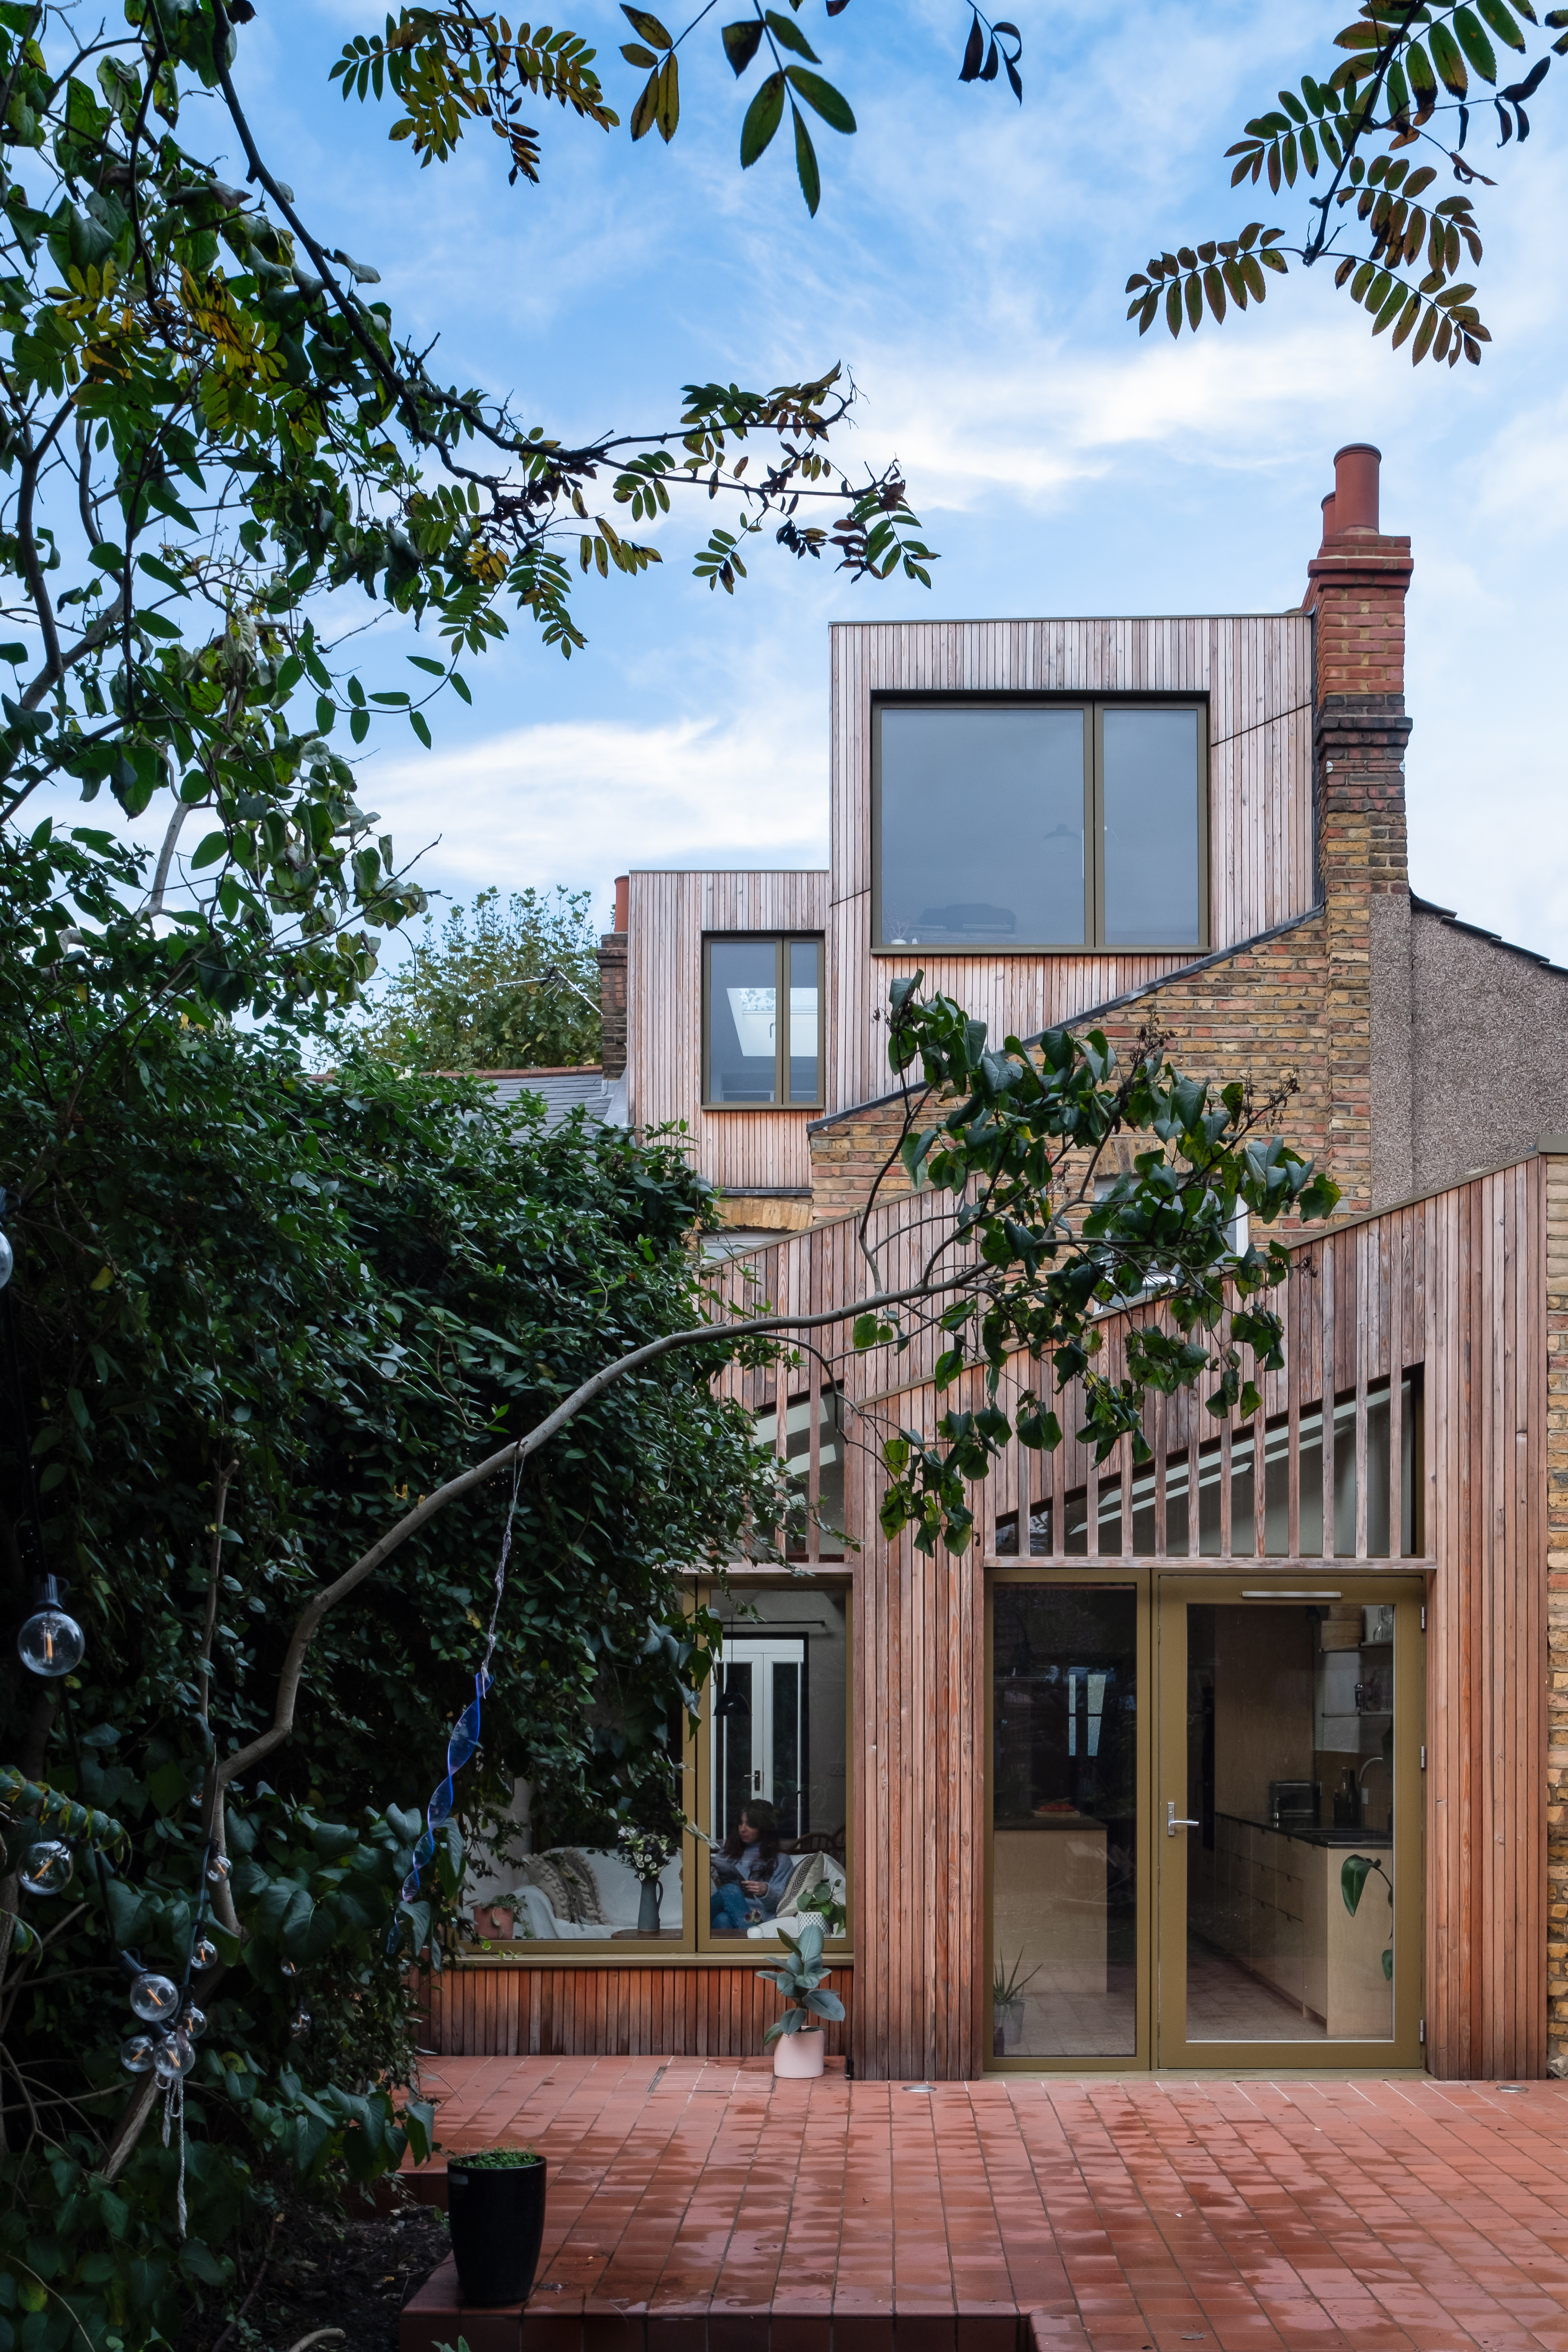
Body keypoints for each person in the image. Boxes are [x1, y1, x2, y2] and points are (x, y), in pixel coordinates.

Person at [709, 1800, 793, 1931]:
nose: (743, 1829)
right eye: (740, 1823)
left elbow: (783, 1906)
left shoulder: (781, 1861)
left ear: (764, 1828)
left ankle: (745, 1942)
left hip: (755, 1918)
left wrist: (766, 1892)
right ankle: (753, 1940)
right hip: (718, 1907)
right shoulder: (726, 1854)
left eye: (751, 1825)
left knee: (723, 1920)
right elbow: (709, 1895)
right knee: (730, 1890)